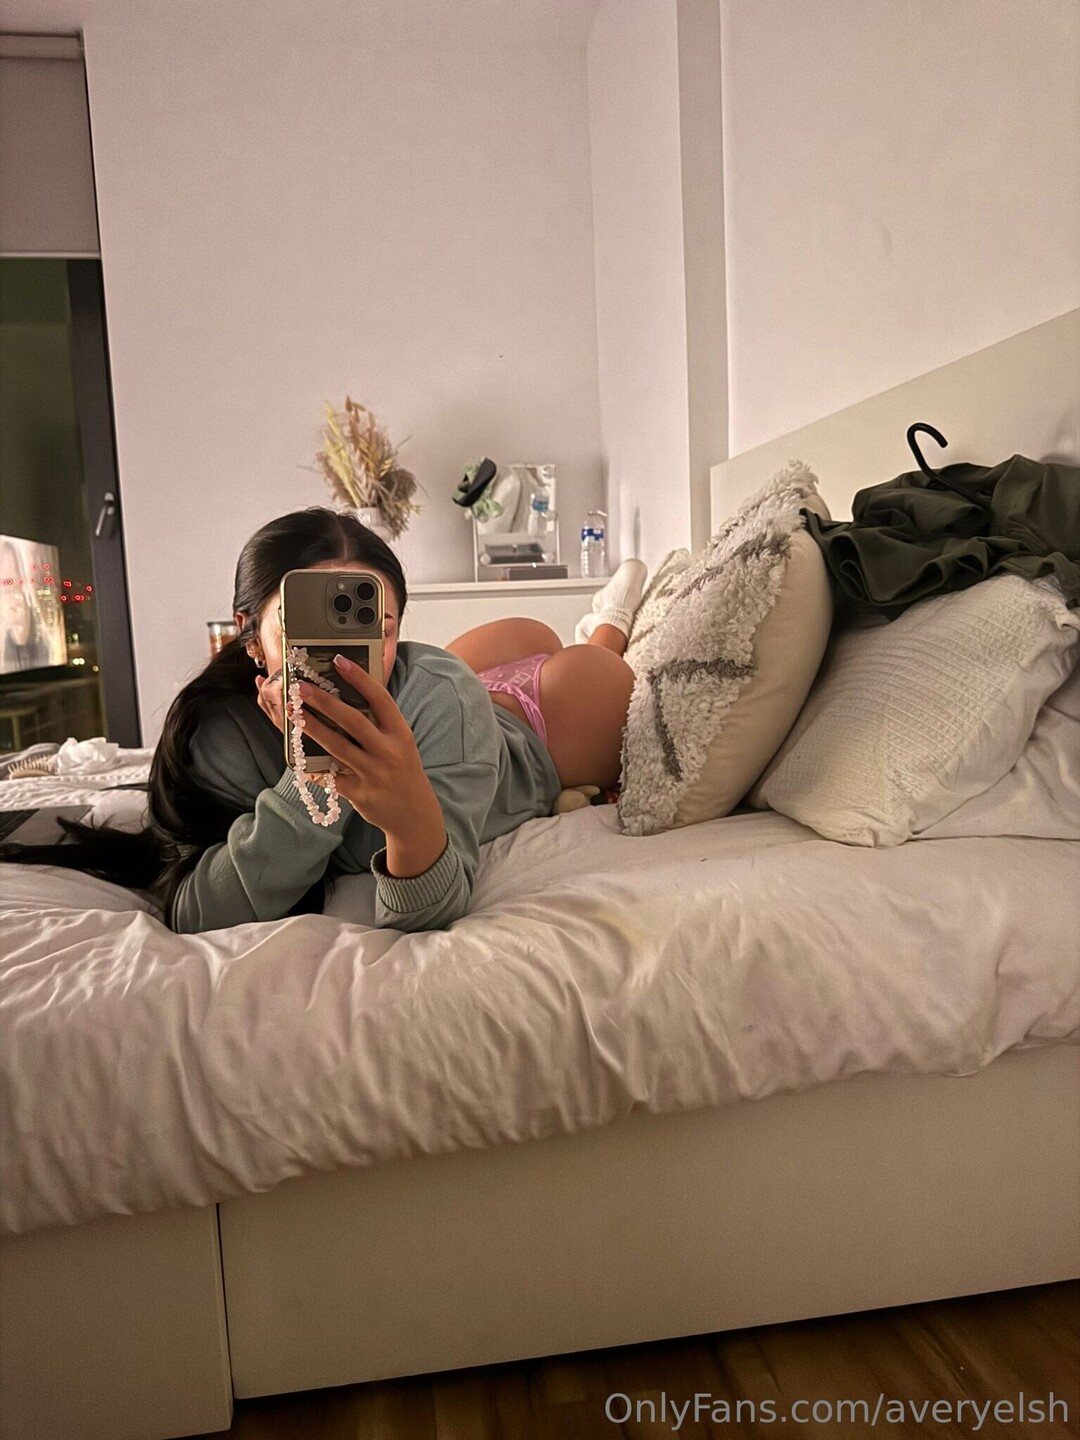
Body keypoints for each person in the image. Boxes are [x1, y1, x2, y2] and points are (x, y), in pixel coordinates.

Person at [2, 508, 649, 933]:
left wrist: (407, 814)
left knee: (592, 668)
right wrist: (311, 777)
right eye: (304, 625)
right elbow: (198, 910)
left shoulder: (439, 694)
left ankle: (612, 623)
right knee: (520, 641)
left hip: (531, 731)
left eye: (376, 628)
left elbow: (432, 906)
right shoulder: (217, 727)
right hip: (454, 700)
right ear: (250, 635)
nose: (341, 655)